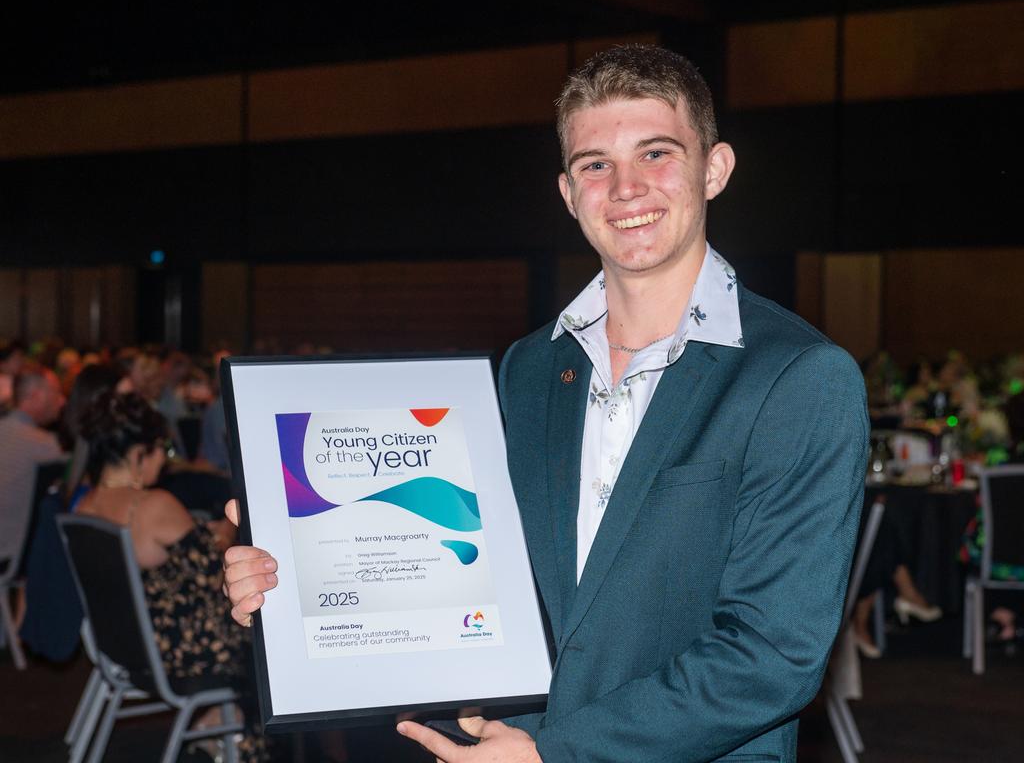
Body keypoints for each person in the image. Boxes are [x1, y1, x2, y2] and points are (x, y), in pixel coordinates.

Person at [223, 44, 868, 762]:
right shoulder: (529, 368)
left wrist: (556, 753)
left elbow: (773, 657)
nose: (626, 188)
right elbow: (480, 568)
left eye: (656, 154)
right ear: (568, 192)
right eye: (596, 165)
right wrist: (299, 566)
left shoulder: (800, 377)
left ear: (713, 169)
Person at [74, 391, 265, 761]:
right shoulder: (153, 504)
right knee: (259, 636)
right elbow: (216, 571)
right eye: (161, 449)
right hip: (177, 653)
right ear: (138, 454)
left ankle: (216, 726)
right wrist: (226, 532)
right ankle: (244, 739)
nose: (165, 459)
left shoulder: (85, 502)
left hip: (125, 644)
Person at [0, 364, 66, 575]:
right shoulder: (42, 444)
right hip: (10, 557)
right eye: (56, 392)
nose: (62, 400)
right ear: (37, 396)